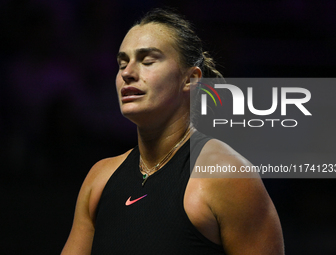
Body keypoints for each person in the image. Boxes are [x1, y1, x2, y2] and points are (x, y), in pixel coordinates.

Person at [61, 8, 284, 255]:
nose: (127, 73)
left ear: (190, 79)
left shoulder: (227, 177)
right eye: (122, 63)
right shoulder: (99, 178)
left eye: (147, 61)